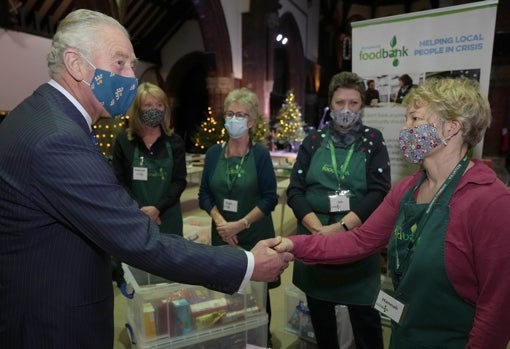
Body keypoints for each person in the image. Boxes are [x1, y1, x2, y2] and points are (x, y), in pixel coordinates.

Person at [0, 9, 293, 349]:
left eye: (132, 64)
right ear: (76, 64)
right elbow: (142, 243)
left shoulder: (42, 115)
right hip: (51, 324)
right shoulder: (57, 137)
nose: (131, 77)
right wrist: (248, 263)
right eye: (120, 63)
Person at [276, 77, 510, 348]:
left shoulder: (492, 203)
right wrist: (294, 243)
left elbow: (496, 311)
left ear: (452, 127)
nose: (405, 128)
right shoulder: (408, 189)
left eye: (415, 119)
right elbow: (360, 240)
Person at [286, 71, 391, 349]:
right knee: (321, 321)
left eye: (353, 103)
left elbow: (379, 191)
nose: (346, 110)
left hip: (357, 240)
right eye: (340, 102)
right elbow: (295, 190)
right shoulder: (314, 141)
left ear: (362, 106)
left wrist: (342, 227)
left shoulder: (373, 141)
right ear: (330, 104)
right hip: (315, 241)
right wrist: (315, 228)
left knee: (365, 322)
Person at [198, 87, 279, 346]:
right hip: (223, 237)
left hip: (254, 238)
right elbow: (204, 195)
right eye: (230, 113)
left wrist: (240, 224)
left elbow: (269, 198)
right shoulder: (213, 154)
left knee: (257, 301)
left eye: (241, 115)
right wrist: (223, 224)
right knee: (225, 300)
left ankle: (258, 342)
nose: (234, 119)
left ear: (252, 121)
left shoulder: (261, 156)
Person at [112, 82, 187, 236]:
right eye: (148, 105)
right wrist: (142, 210)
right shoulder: (124, 140)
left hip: (167, 217)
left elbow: (179, 181)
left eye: (159, 105)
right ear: (138, 109)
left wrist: (157, 209)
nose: (155, 109)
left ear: (165, 108)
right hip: (134, 216)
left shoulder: (175, 141)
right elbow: (119, 182)